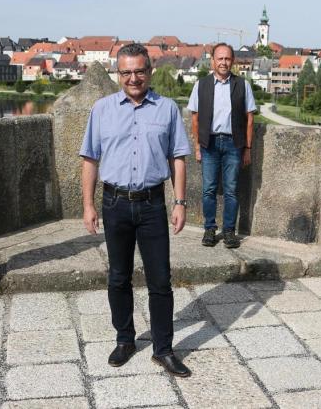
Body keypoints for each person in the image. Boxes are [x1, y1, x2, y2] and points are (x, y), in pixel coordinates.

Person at [80, 43, 192, 377]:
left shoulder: (168, 109)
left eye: (139, 71)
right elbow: (90, 158)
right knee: (118, 276)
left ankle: (163, 349)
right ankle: (125, 339)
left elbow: (178, 158)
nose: (133, 78)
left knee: (160, 280)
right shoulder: (101, 110)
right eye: (126, 72)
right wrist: (87, 205)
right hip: (114, 203)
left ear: (149, 72)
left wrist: (181, 202)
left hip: (152, 203)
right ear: (118, 73)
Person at [187, 43, 257, 248]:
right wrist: (198, 147)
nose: (224, 62)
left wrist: (248, 148)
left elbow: (249, 119)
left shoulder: (242, 85)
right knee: (208, 189)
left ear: (232, 61)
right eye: (220, 59)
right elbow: (195, 119)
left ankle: (229, 231)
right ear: (212, 61)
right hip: (209, 143)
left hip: (234, 143)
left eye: (227, 59)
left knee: (231, 190)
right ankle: (209, 229)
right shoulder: (201, 85)